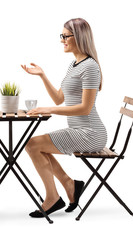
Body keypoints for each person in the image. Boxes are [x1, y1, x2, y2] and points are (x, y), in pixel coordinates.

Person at [21, 18, 107, 218]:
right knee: (35, 146)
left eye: (65, 36)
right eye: (62, 36)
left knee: (33, 145)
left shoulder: (90, 67)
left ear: (79, 37)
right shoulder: (75, 64)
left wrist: (48, 110)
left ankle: (53, 198)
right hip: (79, 130)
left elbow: (85, 108)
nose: (62, 40)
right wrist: (42, 75)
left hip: (91, 133)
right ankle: (69, 185)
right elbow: (60, 99)